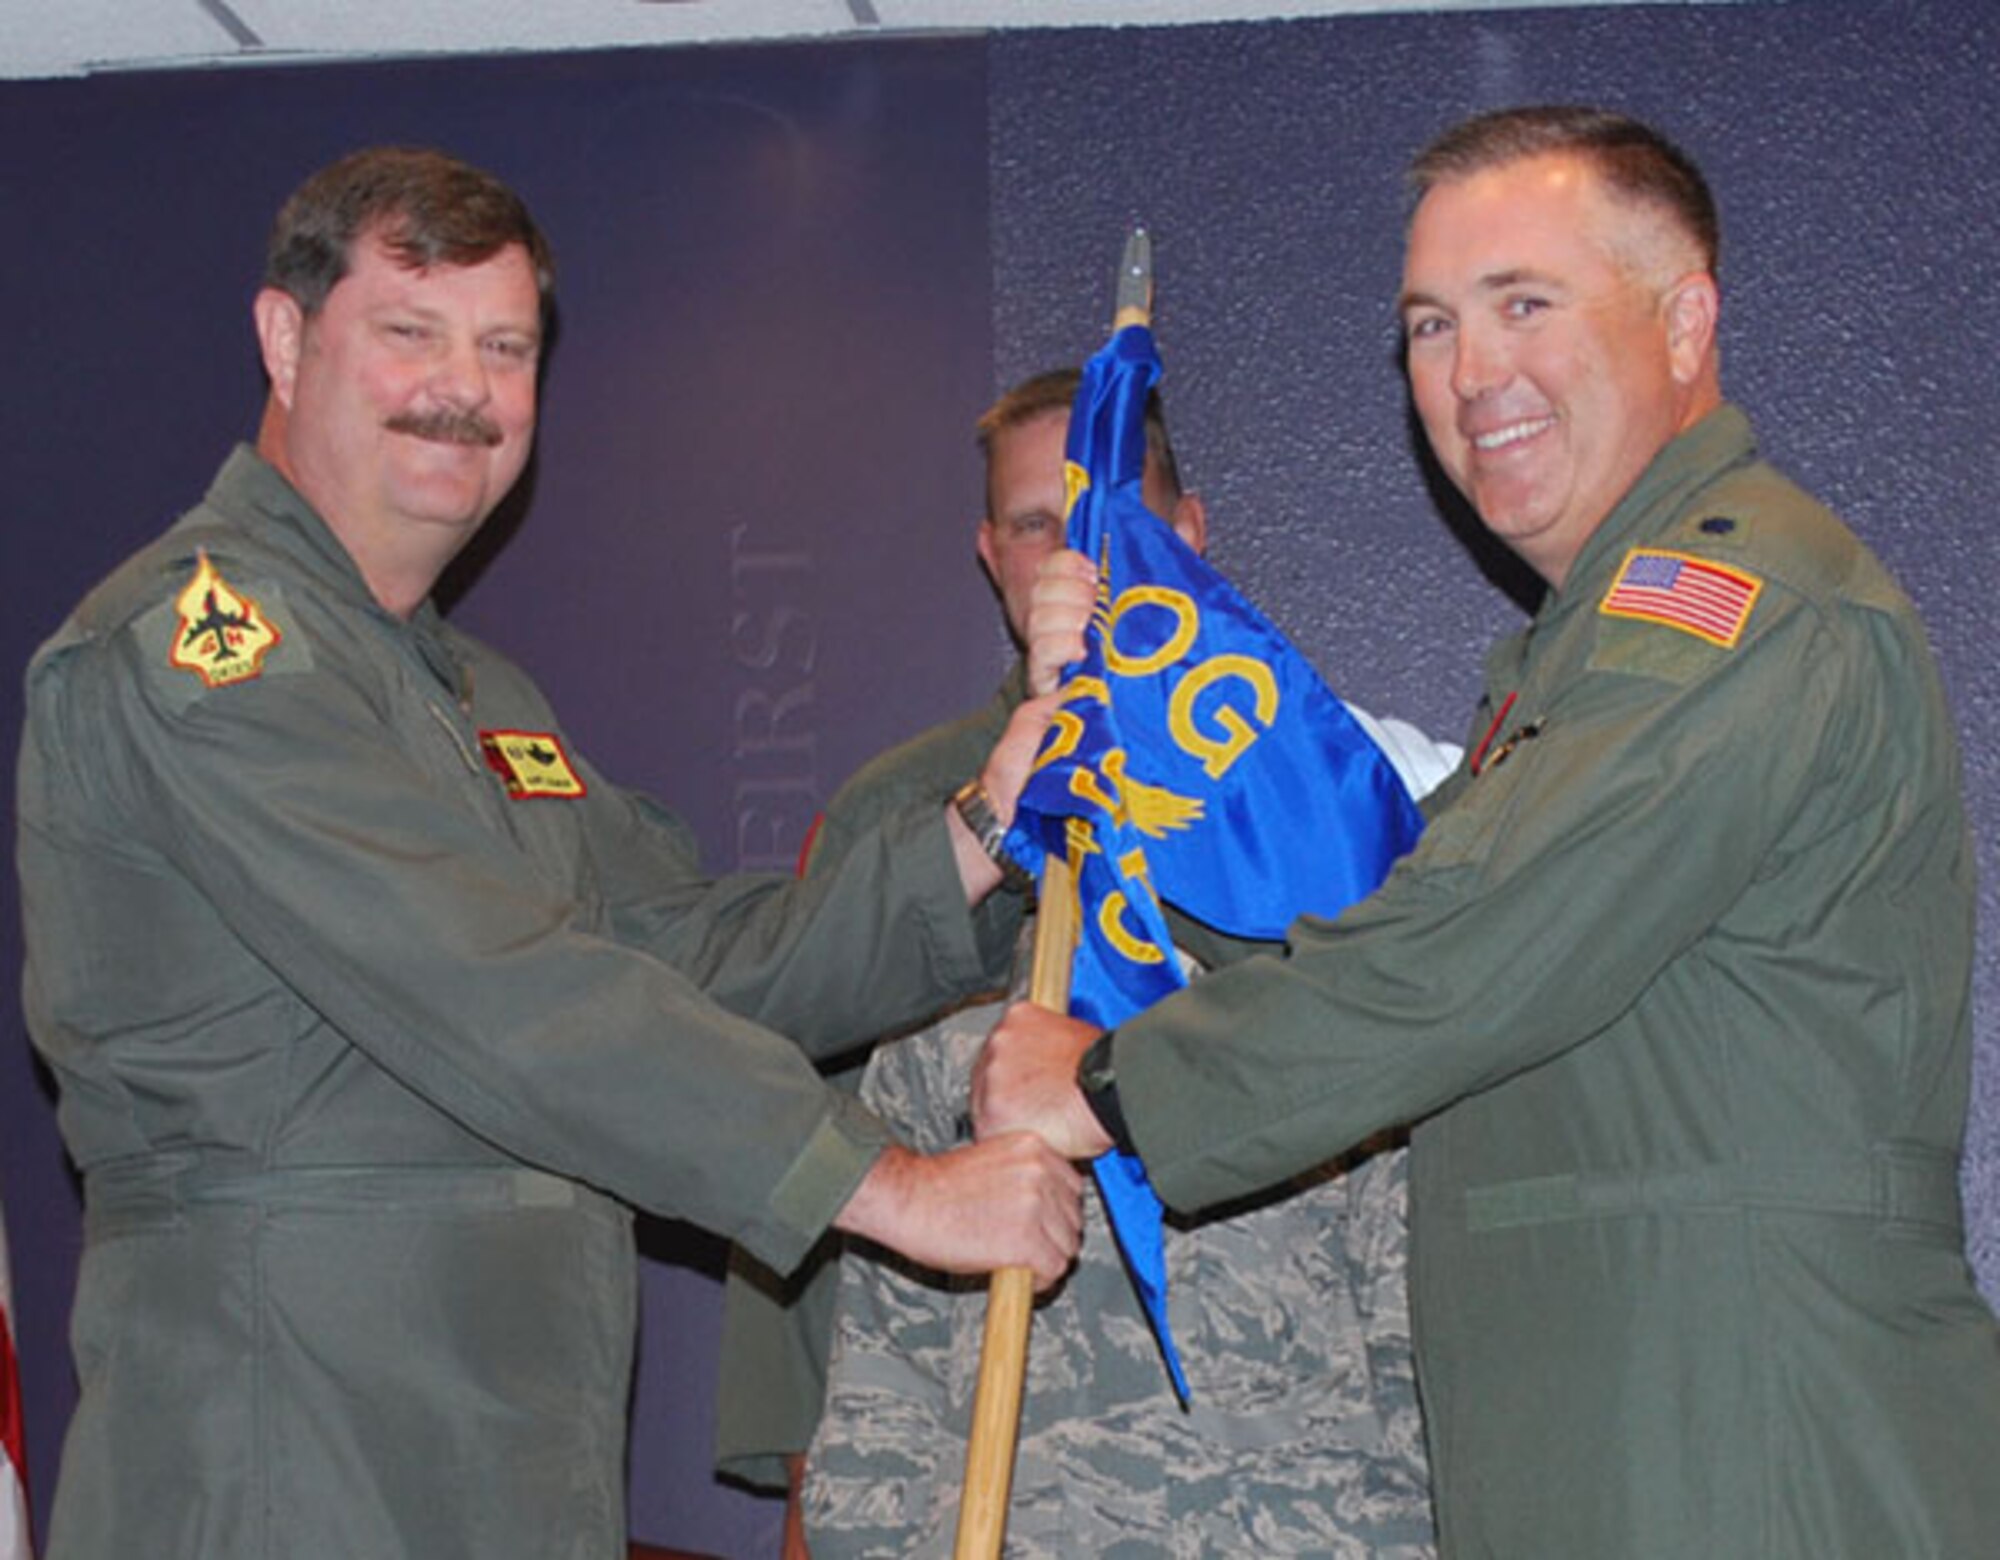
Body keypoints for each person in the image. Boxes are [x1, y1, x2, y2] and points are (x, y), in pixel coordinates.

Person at [15, 145, 1088, 1560]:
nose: (462, 388)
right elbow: (492, 986)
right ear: (286, 340)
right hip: (293, 1460)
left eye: (505, 347)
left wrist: (978, 838)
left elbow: (683, 961)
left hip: (510, 1464)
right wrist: (886, 1188)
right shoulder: (198, 651)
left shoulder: (479, 698)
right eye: (411, 333)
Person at [977, 105, 2000, 1560]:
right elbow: (1379, 892)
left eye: (1527, 304)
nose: (1470, 374)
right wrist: (1129, 763)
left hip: (1750, 1444)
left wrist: (1115, 1088)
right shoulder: (1579, 657)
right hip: (1635, 1437)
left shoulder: (1734, 608)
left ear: (1686, 318)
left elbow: (1470, 949)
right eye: (1430, 326)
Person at [718, 369, 1455, 1556]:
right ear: (987, 553)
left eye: (1111, 511)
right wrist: (812, 1488)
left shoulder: (1302, 797)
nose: (1072, 557)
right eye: (1032, 524)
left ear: (1188, 531)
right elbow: (825, 1202)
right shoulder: (906, 817)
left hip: (1296, 1511)